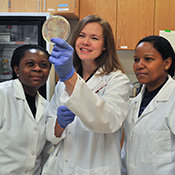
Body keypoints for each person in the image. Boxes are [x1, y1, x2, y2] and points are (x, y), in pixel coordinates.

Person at [42, 15, 130, 175]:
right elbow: (49, 132)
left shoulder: (117, 80)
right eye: (81, 36)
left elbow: (108, 121)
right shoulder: (63, 83)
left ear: (105, 46)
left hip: (95, 168)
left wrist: (69, 76)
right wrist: (59, 125)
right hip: (61, 167)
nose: (85, 42)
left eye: (94, 38)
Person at [122, 35, 175, 175]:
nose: (139, 65)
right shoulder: (134, 104)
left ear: (167, 63)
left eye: (148, 59)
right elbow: (127, 152)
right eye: (136, 60)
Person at [0, 44, 52, 175]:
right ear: (17, 69)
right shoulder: (2, 95)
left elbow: (45, 153)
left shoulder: (46, 107)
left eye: (44, 65)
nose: (37, 69)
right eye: (30, 64)